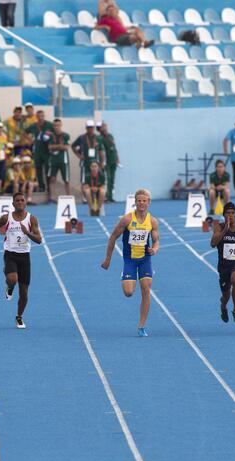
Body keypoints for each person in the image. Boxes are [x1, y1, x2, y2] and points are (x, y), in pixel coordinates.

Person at [101, 189, 160, 337]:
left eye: (144, 201)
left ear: (148, 203)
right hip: (130, 260)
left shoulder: (152, 221)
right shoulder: (127, 219)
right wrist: (108, 259)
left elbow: (156, 240)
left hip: (145, 260)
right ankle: (126, 276)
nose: (141, 203)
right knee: (128, 292)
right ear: (135, 202)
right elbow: (112, 237)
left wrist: (154, 249)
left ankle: (141, 326)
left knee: (146, 289)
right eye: (139, 201)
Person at [0, 191, 42, 329]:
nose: (20, 202)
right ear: (13, 203)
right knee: (12, 279)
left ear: (25, 202)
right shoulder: (6, 218)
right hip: (10, 254)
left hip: (25, 257)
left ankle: (19, 317)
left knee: (24, 292)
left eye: (22, 200)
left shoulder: (32, 219)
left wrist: (27, 232)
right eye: (18, 201)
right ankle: (9, 287)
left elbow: (39, 240)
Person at [72, 120, 105, 199]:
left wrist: (102, 162)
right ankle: (85, 197)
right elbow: (73, 146)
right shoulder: (81, 138)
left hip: (95, 163)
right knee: (84, 180)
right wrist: (79, 155)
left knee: (96, 179)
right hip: (85, 162)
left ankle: (96, 197)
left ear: (93, 128)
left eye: (91, 128)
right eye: (88, 127)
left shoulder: (98, 138)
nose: (90, 129)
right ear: (86, 128)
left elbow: (101, 151)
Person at [25, 109, 54, 192]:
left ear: (44, 116)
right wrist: (30, 140)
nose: (40, 118)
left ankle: (49, 186)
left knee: (48, 169)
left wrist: (50, 135)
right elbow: (25, 132)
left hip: (47, 151)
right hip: (37, 151)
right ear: (36, 117)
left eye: (42, 116)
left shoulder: (49, 125)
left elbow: (55, 133)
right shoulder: (34, 125)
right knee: (38, 170)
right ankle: (41, 186)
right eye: (39, 116)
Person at [47, 118, 71, 202]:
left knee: (66, 180)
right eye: (55, 125)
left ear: (61, 125)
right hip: (53, 160)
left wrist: (56, 146)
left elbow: (66, 147)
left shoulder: (66, 135)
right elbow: (49, 147)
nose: (56, 127)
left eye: (58, 125)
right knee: (52, 179)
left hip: (63, 160)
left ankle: (69, 198)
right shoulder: (51, 135)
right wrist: (59, 146)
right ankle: (52, 198)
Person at [97, 121, 119, 203]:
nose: (105, 128)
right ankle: (106, 197)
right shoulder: (99, 138)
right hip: (106, 162)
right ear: (100, 129)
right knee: (107, 179)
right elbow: (100, 151)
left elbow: (114, 147)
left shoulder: (110, 136)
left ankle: (111, 197)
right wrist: (101, 163)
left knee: (112, 180)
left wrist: (117, 158)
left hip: (113, 160)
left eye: (105, 126)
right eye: (103, 126)